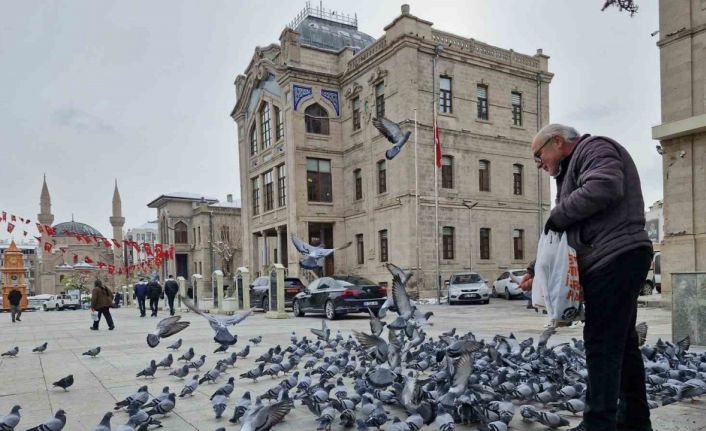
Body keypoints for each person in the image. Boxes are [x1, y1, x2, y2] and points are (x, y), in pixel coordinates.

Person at [531, 124, 653, 431]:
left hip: (615, 257)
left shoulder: (595, 148)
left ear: (557, 142)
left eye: (538, 155)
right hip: (617, 257)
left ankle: (598, 424)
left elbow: (605, 186)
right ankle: (635, 421)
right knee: (622, 346)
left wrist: (555, 216)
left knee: (601, 344)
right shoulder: (572, 168)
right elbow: (569, 234)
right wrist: (535, 269)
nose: (539, 164)